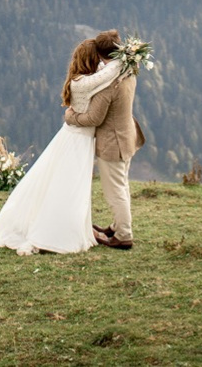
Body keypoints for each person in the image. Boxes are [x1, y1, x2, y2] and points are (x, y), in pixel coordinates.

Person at [0, 34, 126, 255]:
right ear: (91, 61)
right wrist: (125, 56)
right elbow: (109, 73)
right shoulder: (83, 83)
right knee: (68, 187)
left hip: (76, 138)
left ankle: (67, 225)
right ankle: (54, 232)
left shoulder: (80, 79)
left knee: (70, 186)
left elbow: (106, 73)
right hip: (77, 140)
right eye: (98, 59)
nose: (102, 62)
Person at [65, 30, 145, 249]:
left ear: (101, 56)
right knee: (122, 185)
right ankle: (117, 226)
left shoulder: (108, 85)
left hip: (113, 142)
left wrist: (71, 116)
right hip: (127, 135)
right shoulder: (129, 70)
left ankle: (124, 236)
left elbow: (94, 117)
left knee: (115, 191)